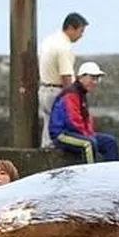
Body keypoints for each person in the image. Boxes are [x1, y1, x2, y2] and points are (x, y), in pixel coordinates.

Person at [48, 62, 119, 164]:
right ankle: (90, 176)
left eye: (97, 79)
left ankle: (112, 174)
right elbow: (73, 121)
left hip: (77, 133)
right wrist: (87, 135)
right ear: (81, 77)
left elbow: (86, 118)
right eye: (92, 78)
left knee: (109, 142)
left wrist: (89, 133)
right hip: (62, 134)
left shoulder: (81, 94)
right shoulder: (72, 94)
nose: (95, 82)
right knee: (89, 144)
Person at [38, 12, 88, 148]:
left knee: (47, 126)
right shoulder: (64, 47)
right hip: (57, 91)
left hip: (44, 89)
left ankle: (45, 151)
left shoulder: (49, 40)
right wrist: (73, 96)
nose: (81, 36)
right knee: (59, 129)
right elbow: (66, 76)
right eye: (80, 31)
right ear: (71, 28)